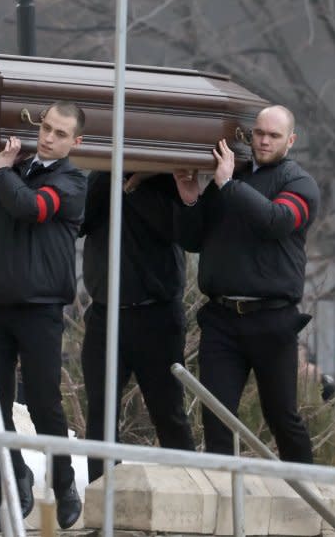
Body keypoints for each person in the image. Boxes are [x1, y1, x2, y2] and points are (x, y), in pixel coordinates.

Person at [0, 101, 87, 530]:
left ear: (75, 142)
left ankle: (64, 481)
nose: (48, 137)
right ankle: (10, 486)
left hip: (39, 309)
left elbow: (32, 209)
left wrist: (1, 173)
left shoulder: (72, 180)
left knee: (45, 403)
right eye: (45, 128)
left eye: (60, 133)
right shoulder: (11, 171)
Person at [172, 104, 319, 463]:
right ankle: (224, 498)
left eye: (274, 136)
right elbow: (193, 240)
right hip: (222, 319)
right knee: (217, 414)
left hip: (272, 320)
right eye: (259, 133)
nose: (264, 141)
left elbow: (276, 220)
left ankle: (310, 494)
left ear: (291, 140)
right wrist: (190, 197)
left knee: (281, 415)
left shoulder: (298, 183)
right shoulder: (233, 176)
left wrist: (226, 184)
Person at [79, 170, 195, 482]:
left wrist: (135, 185)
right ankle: (103, 503)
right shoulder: (101, 177)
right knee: (101, 416)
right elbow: (80, 221)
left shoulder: (168, 180)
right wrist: (112, 173)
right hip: (105, 314)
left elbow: (175, 229)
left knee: (168, 413)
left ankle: (189, 494)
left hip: (157, 317)